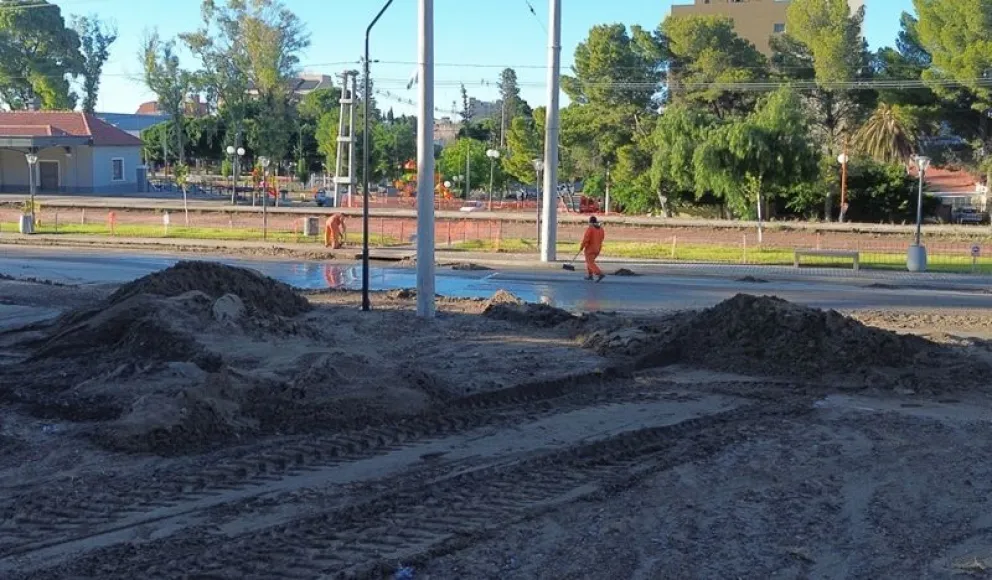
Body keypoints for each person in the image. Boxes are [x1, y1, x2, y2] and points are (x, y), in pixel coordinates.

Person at [579, 215, 605, 282]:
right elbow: (602, 238)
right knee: (590, 262)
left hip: (590, 249)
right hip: (597, 249)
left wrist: (582, 247)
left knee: (590, 262)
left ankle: (599, 273)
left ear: (590, 222)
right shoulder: (601, 229)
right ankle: (590, 276)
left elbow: (586, 239)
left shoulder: (590, 229)